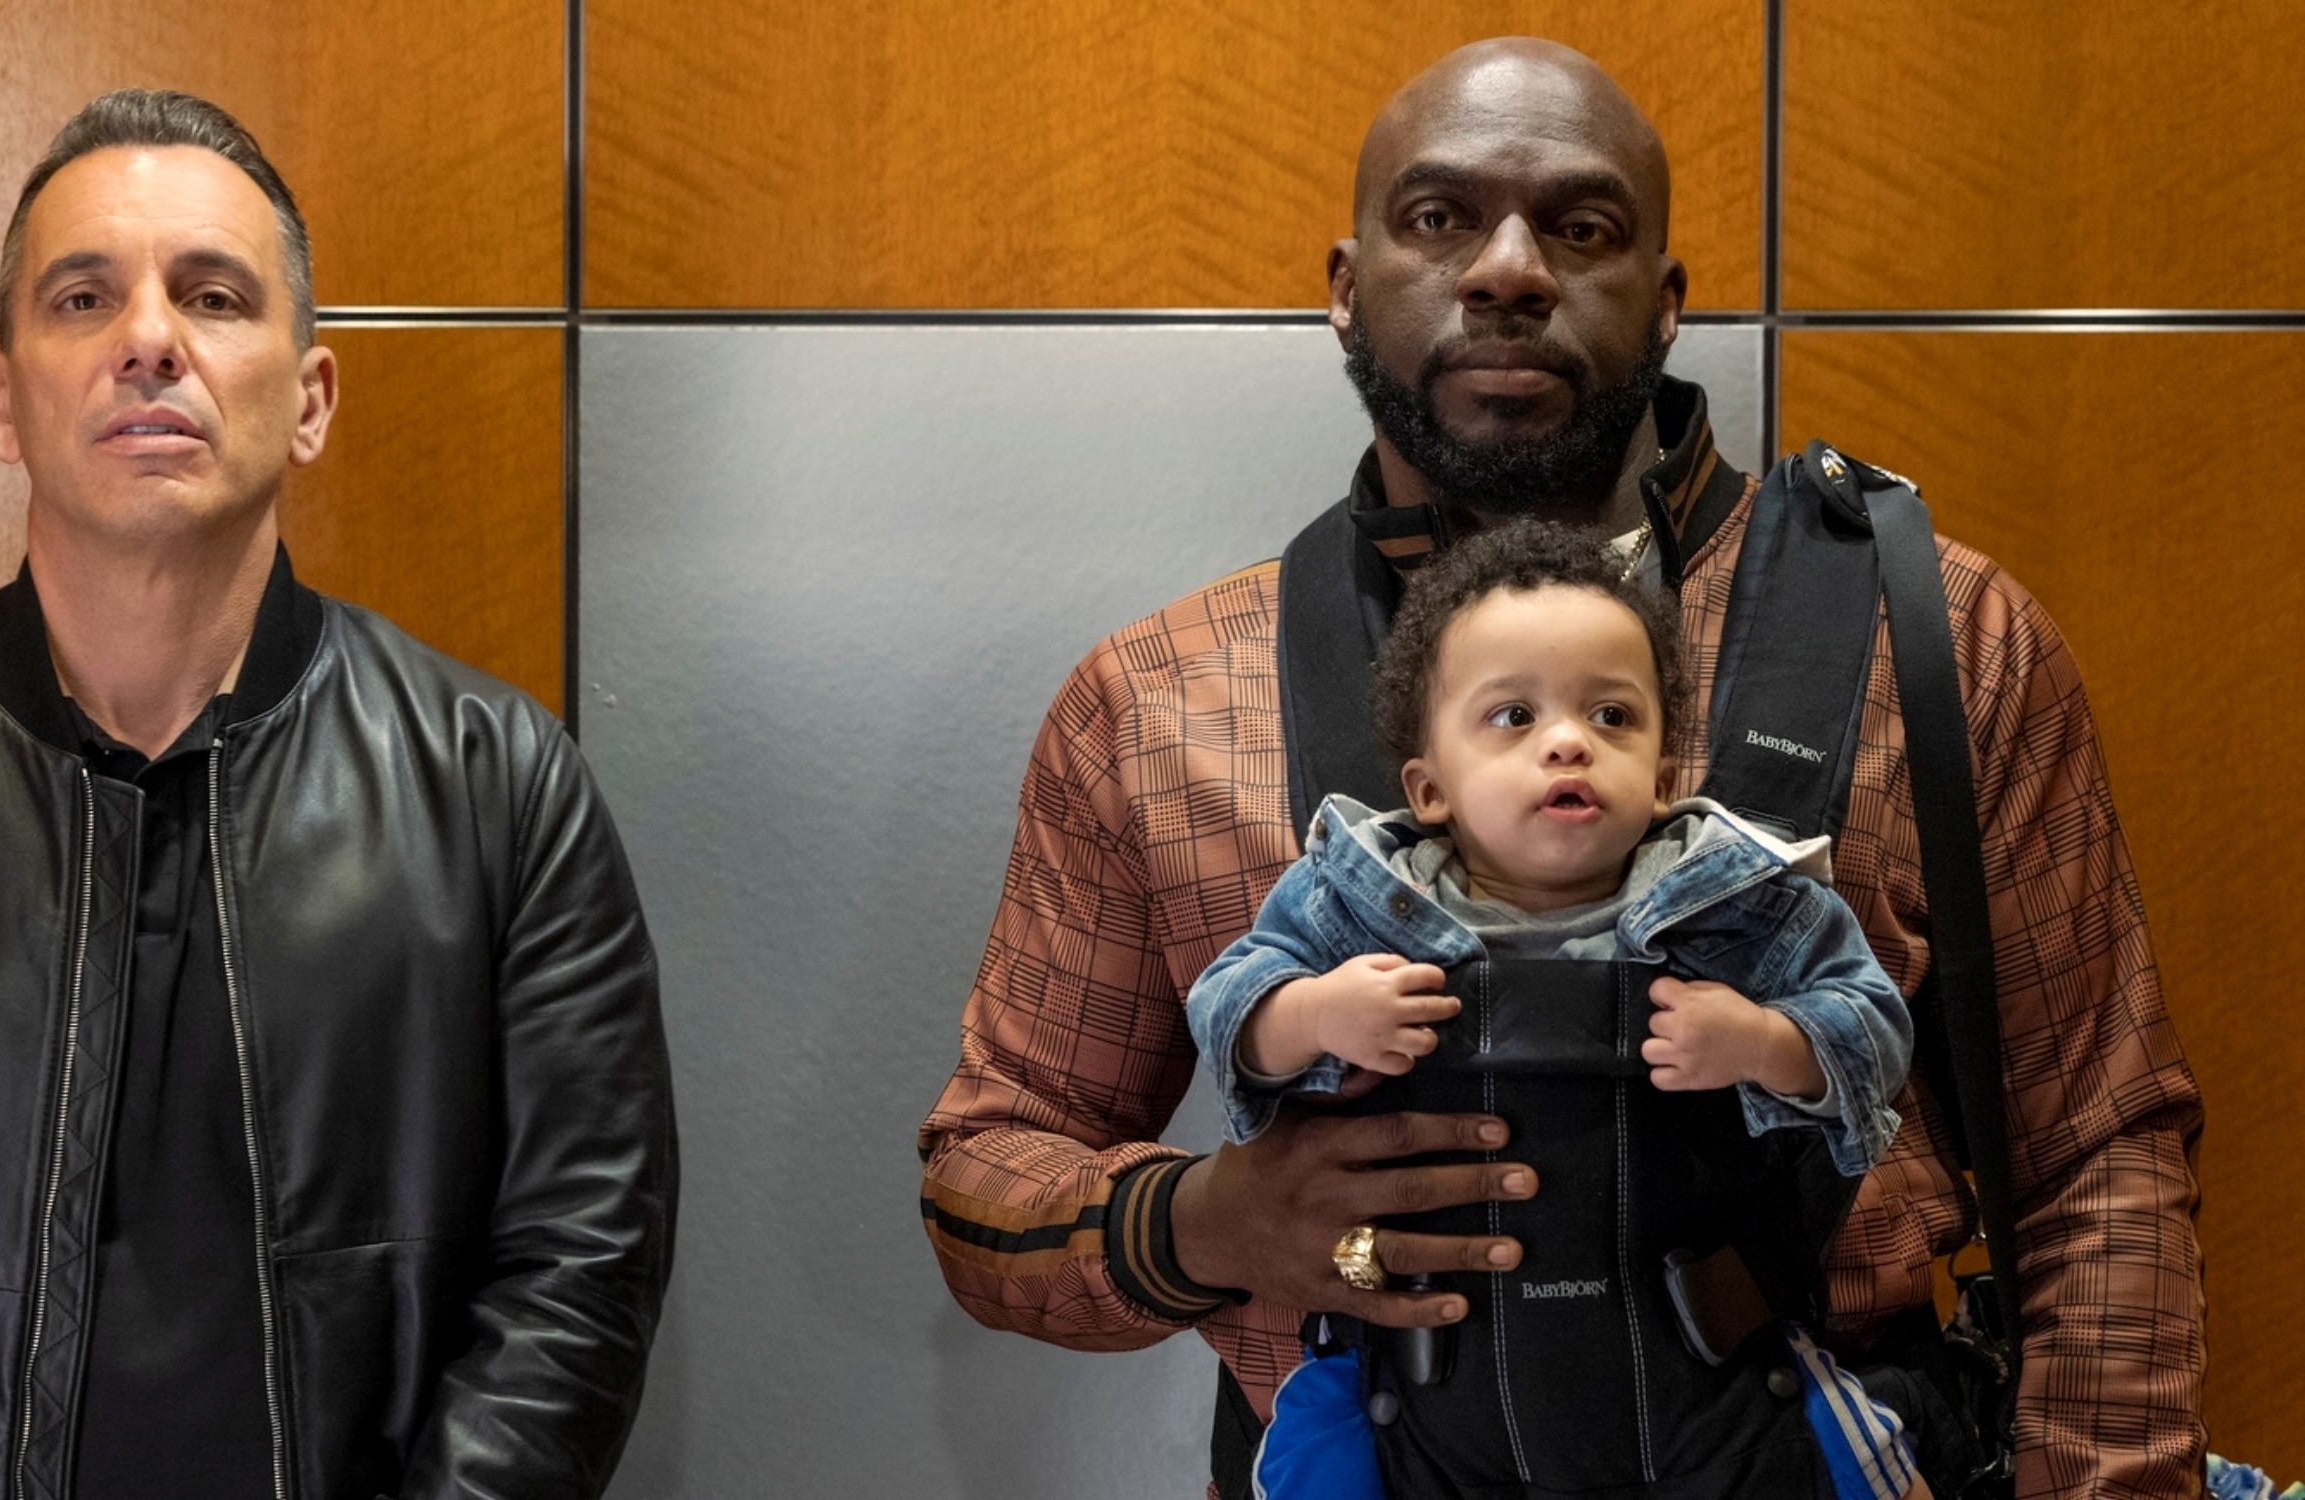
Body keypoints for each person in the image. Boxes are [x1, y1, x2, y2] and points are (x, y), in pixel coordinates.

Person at [916, 36, 2204, 1500]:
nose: (1508, 269)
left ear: (1665, 303)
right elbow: (985, 1171)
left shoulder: (1937, 637)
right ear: (1345, 286)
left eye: (1578, 230)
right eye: (1439, 219)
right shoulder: (1156, 703)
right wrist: (1205, 1221)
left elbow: (2101, 1150)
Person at [0, 89, 676, 1500]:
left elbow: (583, 1271)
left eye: (211, 296)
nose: (147, 340)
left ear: (312, 399)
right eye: (84, 297)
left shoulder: (500, 788)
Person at [1190, 520, 1920, 1499]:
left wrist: (1767, 1041)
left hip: (1714, 1394)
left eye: (1613, 716)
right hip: (1427, 1406)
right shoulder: (1350, 900)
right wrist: (1313, 1017)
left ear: (1665, 779)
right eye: (1513, 717)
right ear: (1429, 787)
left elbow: (1873, 1027)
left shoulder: (1746, 902)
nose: (1569, 740)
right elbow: (1226, 1005)